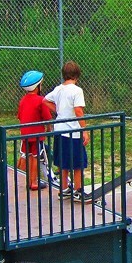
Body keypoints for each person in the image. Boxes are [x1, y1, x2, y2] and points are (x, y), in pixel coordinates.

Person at [44, 60, 90, 202]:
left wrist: (58, 111)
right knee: (78, 163)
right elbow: (78, 110)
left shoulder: (58, 89)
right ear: (77, 76)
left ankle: (64, 189)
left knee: (63, 161)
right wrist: (84, 129)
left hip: (60, 130)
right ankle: (78, 191)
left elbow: (45, 100)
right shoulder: (77, 91)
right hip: (73, 132)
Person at [17, 70, 53, 190]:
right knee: (35, 157)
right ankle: (33, 182)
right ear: (37, 86)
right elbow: (47, 118)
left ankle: (18, 177)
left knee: (24, 155)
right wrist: (49, 130)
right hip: (37, 134)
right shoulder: (41, 100)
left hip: (25, 134)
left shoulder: (22, 100)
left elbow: (20, 116)